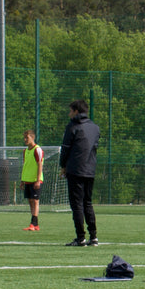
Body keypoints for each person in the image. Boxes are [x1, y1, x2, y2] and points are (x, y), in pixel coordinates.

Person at [59, 99, 99, 246]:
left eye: (70, 111)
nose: (69, 114)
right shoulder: (95, 128)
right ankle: (93, 236)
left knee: (77, 205)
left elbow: (65, 149)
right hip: (90, 170)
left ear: (76, 111)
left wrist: (63, 166)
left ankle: (80, 237)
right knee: (87, 203)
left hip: (75, 170)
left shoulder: (72, 126)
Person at [21, 128, 44, 231]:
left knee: (35, 201)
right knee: (30, 201)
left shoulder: (37, 149)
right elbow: (25, 165)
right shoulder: (25, 151)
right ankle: (35, 224)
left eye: (27, 137)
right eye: (24, 138)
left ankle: (33, 223)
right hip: (27, 179)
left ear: (32, 137)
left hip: (35, 180)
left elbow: (40, 165)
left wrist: (38, 180)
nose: (25, 139)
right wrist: (22, 180)